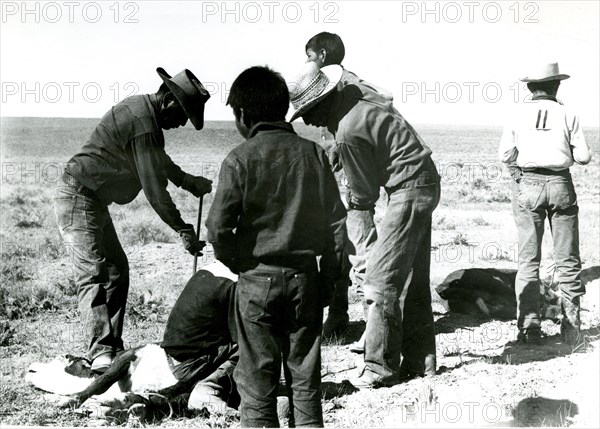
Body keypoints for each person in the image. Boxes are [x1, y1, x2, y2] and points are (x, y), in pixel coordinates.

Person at [206, 66, 347, 427]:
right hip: (305, 279)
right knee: (305, 382)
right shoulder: (313, 155)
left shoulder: (240, 159)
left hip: (257, 284)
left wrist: (243, 265)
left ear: (242, 114)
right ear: (284, 108)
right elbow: (336, 226)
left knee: (256, 386)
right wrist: (329, 281)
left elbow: (218, 229)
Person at [288, 62, 440, 388]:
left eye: (310, 111)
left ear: (324, 101)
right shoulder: (358, 98)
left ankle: (379, 369)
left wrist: (346, 203)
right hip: (423, 181)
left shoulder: (346, 131)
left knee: (380, 278)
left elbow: (364, 194)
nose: (309, 120)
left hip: (409, 190)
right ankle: (421, 361)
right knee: (412, 279)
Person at [54, 67, 213, 373]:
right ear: (167, 100)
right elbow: (154, 190)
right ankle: (101, 355)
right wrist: (182, 229)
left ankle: (111, 347)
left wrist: (187, 181)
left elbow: (156, 159)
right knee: (94, 273)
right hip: (78, 197)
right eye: (182, 115)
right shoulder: (144, 123)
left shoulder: (144, 112)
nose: (180, 124)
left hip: (92, 200)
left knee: (116, 270)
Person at [305, 32, 392, 340]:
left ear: (323, 57)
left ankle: (375, 327)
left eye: (311, 57)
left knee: (362, 252)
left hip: (351, 183)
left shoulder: (347, 87)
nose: (308, 63)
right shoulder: (341, 87)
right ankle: (339, 317)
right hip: (340, 180)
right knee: (339, 251)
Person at [498, 62, 591, 345]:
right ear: (556, 85)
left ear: (530, 87)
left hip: (529, 185)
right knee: (568, 259)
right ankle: (571, 327)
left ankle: (529, 327)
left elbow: (505, 154)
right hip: (561, 185)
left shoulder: (516, 113)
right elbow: (584, 157)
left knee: (528, 260)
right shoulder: (568, 113)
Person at [161, 260, 239, 410]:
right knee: (250, 345)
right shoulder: (233, 282)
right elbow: (239, 336)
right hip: (189, 368)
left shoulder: (210, 270)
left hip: (173, 356)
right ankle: (208, 387)